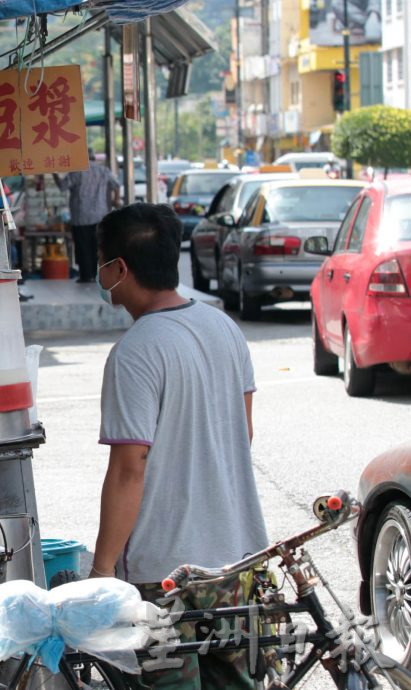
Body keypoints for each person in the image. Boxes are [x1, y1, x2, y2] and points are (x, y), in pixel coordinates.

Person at [88, 203, 268, 689]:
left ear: (119, 269)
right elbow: (243, 433)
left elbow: (130, 469)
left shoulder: (137, 351)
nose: (99, 271)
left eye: (101, 260)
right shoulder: (225, 327)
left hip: (163, 575)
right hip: (236, 561)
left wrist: (103, 569)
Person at [55, 148, 121, 283]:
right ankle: (101, 276)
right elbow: (116, 184)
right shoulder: (103, 170)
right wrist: (116, 199)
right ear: (93, 157)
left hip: (81, 217)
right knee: (99, 247)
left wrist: (53, 173)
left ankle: (86, 276)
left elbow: (62, 186)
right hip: (100, 215)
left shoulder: (76, 173)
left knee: (83, 247)